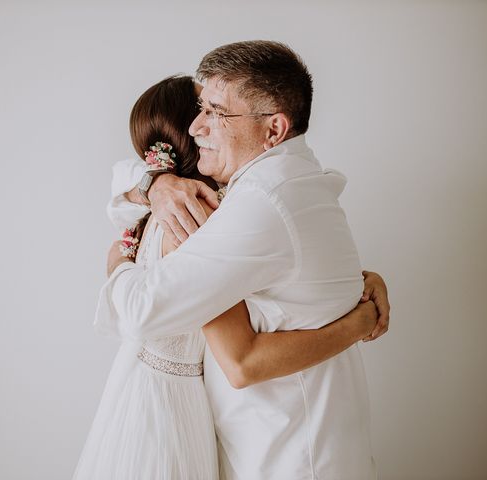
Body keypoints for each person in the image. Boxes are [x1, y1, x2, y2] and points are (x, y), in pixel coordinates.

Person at [74, 74, 387, 479]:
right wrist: (360, 320)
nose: (201, 125)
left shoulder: (194, 209)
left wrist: (359, 280)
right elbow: (240, 360)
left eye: (215, 114)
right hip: (176, 407)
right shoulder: (203, 217)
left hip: (154, 399)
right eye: (202, 111)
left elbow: (284, 266)